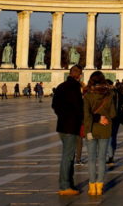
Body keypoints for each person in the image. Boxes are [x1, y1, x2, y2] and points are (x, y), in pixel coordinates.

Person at [51, 65, 84, 197]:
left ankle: (68, 183)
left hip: (62, 126)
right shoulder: (74, 87)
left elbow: (54, 105)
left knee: (68, 155)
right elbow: (78, 107)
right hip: (71, 126)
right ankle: (65, 185)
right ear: (79, 75)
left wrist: (62, 115)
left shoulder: (61, 86)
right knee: (68, 157)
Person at [82, 70, 115, 196]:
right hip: (105, 129)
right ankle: (100, 186)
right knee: (101, 159)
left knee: (91, 159)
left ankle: (92, 187)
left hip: (91, 129)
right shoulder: (109, 95)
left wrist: (88, 130)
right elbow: (112, 114)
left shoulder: (87, 96)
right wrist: (104, 116)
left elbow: (86, 115)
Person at [105, 77, 123, 165]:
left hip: (108, 116)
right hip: (117, 116)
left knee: (108, 136)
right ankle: (112, 154)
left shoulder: (105, 93)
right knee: (113, 135)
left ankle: (109, 155)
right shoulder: (116, 92)